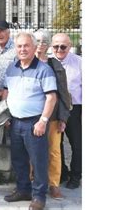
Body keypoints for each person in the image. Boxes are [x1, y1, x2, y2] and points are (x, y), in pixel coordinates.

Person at [2, 32, 57, 210]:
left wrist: (43, 121)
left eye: (26, 46)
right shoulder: (11, 68)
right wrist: (6, 115)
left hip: (35, 123)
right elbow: (6, 92)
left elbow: (51, 98)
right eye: (19, 46)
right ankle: (23, 190)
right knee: (18, 159)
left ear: (34, 48)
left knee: (38, 160)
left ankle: (39, 196)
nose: (23, 49)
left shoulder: (44, 69)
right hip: (15, 122)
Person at [32, 30, 72, 200]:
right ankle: (31, 181)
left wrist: (63, 117)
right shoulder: (24, 62)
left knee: (54, 152)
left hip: (53, 116)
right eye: (38, 40)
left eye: (44, 41)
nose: (41, 44)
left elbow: (64, 94)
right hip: (31, 116)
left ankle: (53, 184)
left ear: (48, 45)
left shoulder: (55, 65)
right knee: (31, 151)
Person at [52, 33, 82, 190]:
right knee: (57, 144)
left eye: (63, 46)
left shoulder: (79, 62)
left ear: (69, 47)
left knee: (77, 143)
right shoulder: (48, 62)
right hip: (54, 109)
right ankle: (62, 172)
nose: (59, 49)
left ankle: (76, 175)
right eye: (56, 46)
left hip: (73, 108)